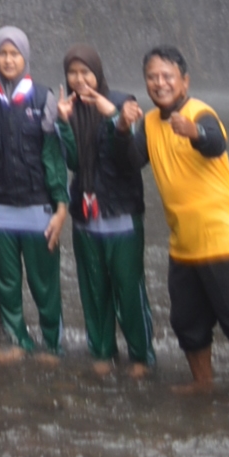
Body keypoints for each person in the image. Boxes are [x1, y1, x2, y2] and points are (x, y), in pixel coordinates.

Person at [120, 46, 229, 424]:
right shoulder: (151, 124)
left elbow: (214, 141)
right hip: (184, 241)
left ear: (185, 81)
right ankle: (203, 382)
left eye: (168, 76)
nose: (160, 83)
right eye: (153, 77)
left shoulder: (200, 112)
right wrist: (122, 126)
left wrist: (194, 133)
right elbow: (129, 162)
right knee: (187, 321)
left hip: (224, 236)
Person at [0, 27, 70, 360]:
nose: (8, 60)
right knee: (7, 283)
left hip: (38, 206)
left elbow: (53, 159)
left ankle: (52, 343)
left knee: (44, 284)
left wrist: (61, 205)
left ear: (25, 57)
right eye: (2, 54)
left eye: (15, 54)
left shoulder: (43, 98)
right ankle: (17, 340)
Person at [57, 46, 154, 376]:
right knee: (93, 289)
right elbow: (71, 162)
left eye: (86, 72)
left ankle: (141, 355)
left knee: (129, 289)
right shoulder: (69, 108)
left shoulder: (123, 102)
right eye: (73, 73)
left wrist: (115, 116)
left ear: (98, 72)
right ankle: (101, 350)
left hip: (122, 213)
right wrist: (64, 122)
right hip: (85, 215)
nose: (80, 79)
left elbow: (133, 159)